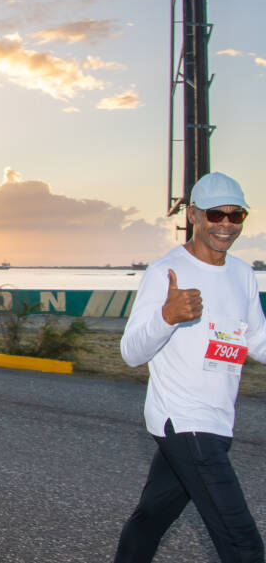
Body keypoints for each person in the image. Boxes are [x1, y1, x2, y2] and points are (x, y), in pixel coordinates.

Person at [114, 172, 266, 563]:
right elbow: (131, 352)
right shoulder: (167, 271)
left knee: (151, 519)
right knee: (243, 543)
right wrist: (167, 316)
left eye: (236, 215)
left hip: (218, 419)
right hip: (184, 420)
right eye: (216, 215)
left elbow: (257, 340)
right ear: (194, 214)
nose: (226, 225)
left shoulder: (242, 274)